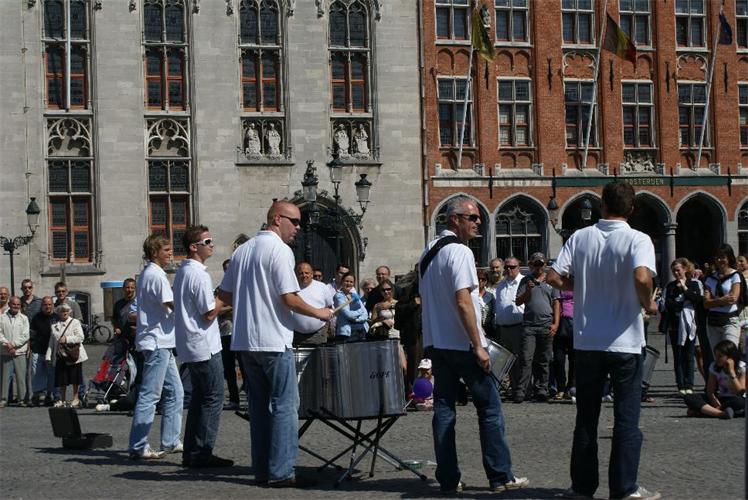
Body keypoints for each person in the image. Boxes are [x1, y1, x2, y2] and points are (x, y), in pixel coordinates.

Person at [548, 181, 660, 500]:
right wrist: (648, 302)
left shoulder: (580, 237)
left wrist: (580, 284)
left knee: (586, 418)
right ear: (632, 209)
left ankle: (583, 487)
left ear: (602, 205)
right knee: (626, 418)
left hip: (587, 341)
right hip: (625, 342)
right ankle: (624, 488)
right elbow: (642, 277)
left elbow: (554, 277)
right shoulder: (638, 239)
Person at [218, 201, 332, 488]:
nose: (298, 228)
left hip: (244, 341)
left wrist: (251, 300)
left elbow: (225, 295)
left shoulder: (242, 250)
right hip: (272, 339)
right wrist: (319, 312)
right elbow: (289, 297)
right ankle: (281, 471)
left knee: (258, 408)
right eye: (295, 221)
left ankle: (262, 469)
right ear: (277, 219)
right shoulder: (279, 250)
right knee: (285, 406)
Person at [420, 196, 528, 494]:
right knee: (490, 408)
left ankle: (448, 479)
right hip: (463, 344)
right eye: (473, 217)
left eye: (479, 218)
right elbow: (463, 301)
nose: (479, 222)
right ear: (454, 219)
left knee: (444, 410)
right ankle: (500, 476)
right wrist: (478, 345)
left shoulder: (428, 252)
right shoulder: (460, 251)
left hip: (437, 343)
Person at [173, 225, 232, 468]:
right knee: (213, 398)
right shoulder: (198, 274)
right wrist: (224, 296)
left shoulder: (183, 271)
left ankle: (191, 451)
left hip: (191, 344)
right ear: (193, 247)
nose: (212, 245)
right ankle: (202, 452)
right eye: (207, 241)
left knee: (199, 397)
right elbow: (208, 313)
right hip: (204, 346)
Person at [128, 233, 184, 460]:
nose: (170, 254)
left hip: (162, 341)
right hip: (157, 341)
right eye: (166, 250)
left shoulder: (147, 274)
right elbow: (172, 304)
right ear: (154, 252)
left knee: (176, 392)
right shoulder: (157, 276)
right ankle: (138, 445)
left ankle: (170, 440)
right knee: (150, 395)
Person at [514, 252, 560, 403]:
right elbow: (518, 302)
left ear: (545, 265)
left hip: (546, 324)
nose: (538, 267)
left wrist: (556, 323)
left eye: (541, 264)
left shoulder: (550, 280)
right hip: (529, 326)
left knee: (544, 360)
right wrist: (528, 290)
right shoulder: (525, 280)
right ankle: (522, 390)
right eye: (536, 264)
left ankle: (541, 389)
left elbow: (556, 303)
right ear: (531, 265)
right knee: (526, 359)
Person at [660, 258, 702, 395]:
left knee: (689, 355)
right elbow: (668, 304)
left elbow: (696, 300)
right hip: (675, 324)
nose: (676, 273)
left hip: (690, 325)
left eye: (678, 270)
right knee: (677, 356)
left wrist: (684, 288)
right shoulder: (670, 286)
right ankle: (681, 384)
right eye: (673, 271)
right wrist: (683, 303)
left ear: (685, 269)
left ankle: (689, 384)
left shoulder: (694, 284)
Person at [683, 339, 745, 419]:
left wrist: (731, 372)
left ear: (730, 357)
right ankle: (721, 414)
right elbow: (710, 392)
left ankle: (707, 412)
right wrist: (717, 405)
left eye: (720, 356)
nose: (716, 359)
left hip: (736, 399)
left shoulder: (742, 367)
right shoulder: (714, 366)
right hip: (721, 398)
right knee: (689, 397)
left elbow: (740, 392)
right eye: (715, 355)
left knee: (741, 402)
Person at [493, 257, 525, 395]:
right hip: (503, 327)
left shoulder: (523, 281)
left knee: (520, 359)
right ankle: (513, 387)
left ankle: (522, 388)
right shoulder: (501, 284)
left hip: (518, 326)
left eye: (512, 267)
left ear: (518, 267)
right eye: (506, 267)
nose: (509, 270)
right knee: (508, 360)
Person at [46, 303, 87, 408]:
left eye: (66, 311)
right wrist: (48, 355)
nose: (64, 312)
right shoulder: (54, 325)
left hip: (73, 354)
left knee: (75, 378)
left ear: (69, 312)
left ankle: (75, 398)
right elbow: (51, 341)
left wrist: (67, 339)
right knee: (61, 378)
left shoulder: (75, 322)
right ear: (58, 312)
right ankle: (62, 399)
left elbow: (80, 337)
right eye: (62, 311)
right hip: (60, 355)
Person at [703, 244, 742, 353]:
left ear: (729, 258)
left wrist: (713, 301)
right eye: (717, 257)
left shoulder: (735, 275)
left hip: (730, 320)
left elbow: (733, 299)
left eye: (722, 257)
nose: (719, 260)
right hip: (713, 321)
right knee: (718, 355)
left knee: (729, 354)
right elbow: (705, 304)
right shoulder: (710, 278)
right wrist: (721, 300)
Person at [218, 259, 243, 411]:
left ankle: (252, 399)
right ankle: (234, 399)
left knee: (245, 367)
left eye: (230, 268)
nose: (228, 271)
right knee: (228, 368)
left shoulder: (243, 286)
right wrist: (232, 306)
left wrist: (228, 307)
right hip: (226, 332)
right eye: (225, 269)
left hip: (241, 332)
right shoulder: (221, 289)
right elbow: (216, 310)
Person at [290, 262, 334, 347]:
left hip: (318, 333)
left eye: (307, 273)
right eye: (301, 273)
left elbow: (330, 307)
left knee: (319, 355)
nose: (304, 275)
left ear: (312, 274)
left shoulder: (322, 287)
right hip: (296, 334)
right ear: (296, 275)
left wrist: (328, 322)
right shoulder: (291, 287)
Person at [0, 297, 30, 407]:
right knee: (4, 378)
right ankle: (3, 399)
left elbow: (25, 335)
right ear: (9, 304)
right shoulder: (2, 317)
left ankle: (22, 399)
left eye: (18, 304)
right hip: (5, 351)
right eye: (14, 304)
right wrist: (7, 344)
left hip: (19, 352)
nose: (16, 306)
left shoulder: (24, 318)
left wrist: (13, 344)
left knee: (21, 378)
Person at [29, 297, 56, 406]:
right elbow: (32, 333)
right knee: (36, 373)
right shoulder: (36, 317)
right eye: (45, 304)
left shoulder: (56, 318)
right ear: (42, 306)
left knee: (51, 374)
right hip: (38, 350)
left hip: (51, 351)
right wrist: (31, 346)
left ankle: (49, 394)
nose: (47, 306)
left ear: (52, 305)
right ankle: (37, 394)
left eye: (49, 304)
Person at [552, 289, 575, 401]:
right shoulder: (558, 284)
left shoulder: (578, 282)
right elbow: (556, 301)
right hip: (561, 322)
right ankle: (560, 388)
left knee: (574, 358)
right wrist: (556, 323)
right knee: (558, 359)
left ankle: (571, 387)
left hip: (575, 322)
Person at [333, 273, 369, 342]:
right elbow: (348, 315)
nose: (348, 283)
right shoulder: (338, 296)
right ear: (342, 282)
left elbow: (365, 314)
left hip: (362, 331)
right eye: (346, 281)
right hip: (347, 332)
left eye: (351, 282)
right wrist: (360, 312)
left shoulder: (355, 295)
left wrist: (355, 319)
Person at [112, 278, 137, 343]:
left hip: (136, 338)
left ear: (135, 289)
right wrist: (116, 328)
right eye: (127, 287)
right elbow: (114, 318)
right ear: (123, 288)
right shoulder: (118, 304)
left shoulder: (139, 303)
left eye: (132, 287)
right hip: (122, 338)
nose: (130, 290)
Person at [477, 269, 496, 339]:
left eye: (483, 279)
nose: (480, 281)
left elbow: (494, 314)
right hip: (475, 327)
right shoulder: (471, 295)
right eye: (478, 279)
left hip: (489, 328)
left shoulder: (491, 295)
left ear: (486, 281)